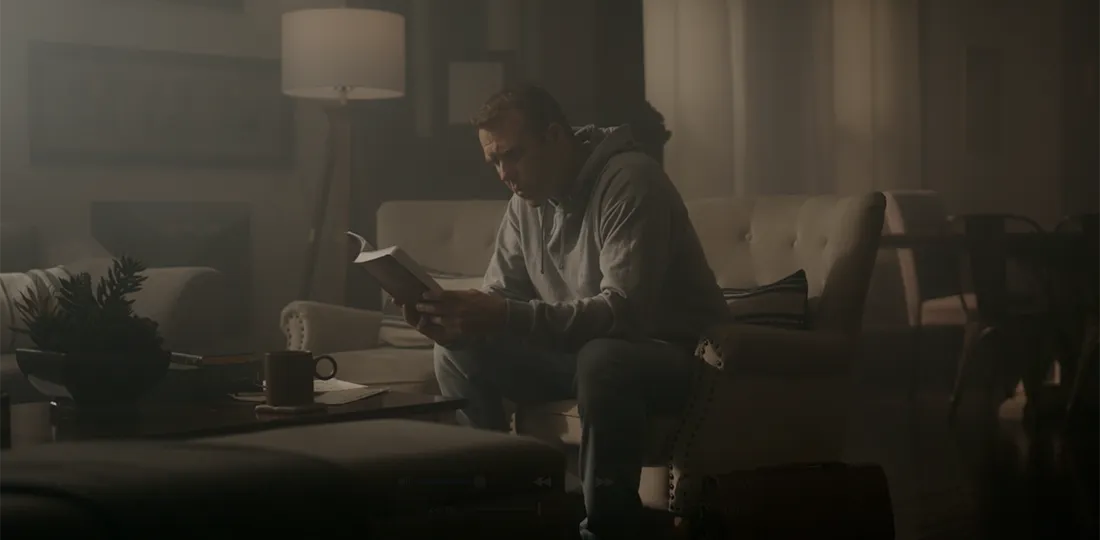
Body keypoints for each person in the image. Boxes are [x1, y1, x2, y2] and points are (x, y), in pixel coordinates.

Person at [399, 84, 727, 540]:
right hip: (583, 356)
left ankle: (611, 529)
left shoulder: (631, 180)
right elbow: (501, 295)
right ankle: (498, 513)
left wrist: (505, 316)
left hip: (674, 357)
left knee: (604, 358)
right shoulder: (523, 205)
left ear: (555, 137)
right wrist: (452, 324)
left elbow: (625, 313)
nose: (503, 173)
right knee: (456, 353)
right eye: (493, 161)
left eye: (513, 155)